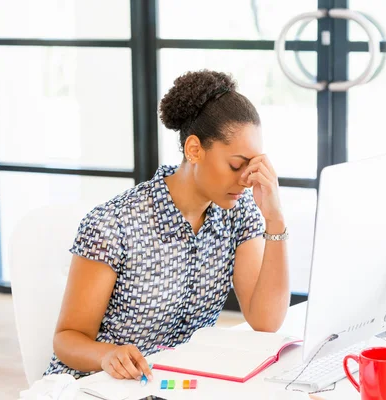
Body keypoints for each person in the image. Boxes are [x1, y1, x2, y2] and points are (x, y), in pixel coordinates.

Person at [44, 70, 290, 381]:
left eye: (253, 165)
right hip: (96, 385)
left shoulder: (238, 213)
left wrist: (275, 219)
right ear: (194, 150)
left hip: (175, 384)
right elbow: (67, 338)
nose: (246, 178)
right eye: (236, 165)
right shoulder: (114, 224)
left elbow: (266, 321)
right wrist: (107, 354)